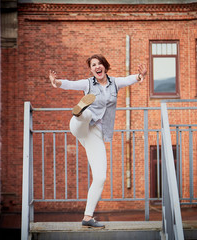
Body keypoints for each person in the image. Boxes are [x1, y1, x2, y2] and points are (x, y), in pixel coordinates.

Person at [49, 54, 147, 229]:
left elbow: (128, 79)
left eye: (100, 63)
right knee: (84, 115)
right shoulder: (87, 83)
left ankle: (88, 217)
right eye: (93, 65)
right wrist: (56, 82)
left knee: (100, 176)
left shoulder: (114, 83)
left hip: (95, 134)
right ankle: (80, 111)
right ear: (91, 69)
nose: (97, 66)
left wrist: (140, 76)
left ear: (105, 67)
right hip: (81, 125)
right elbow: (71, 84)